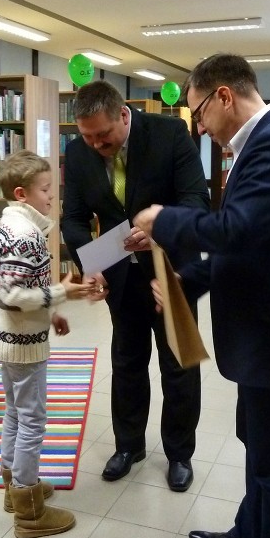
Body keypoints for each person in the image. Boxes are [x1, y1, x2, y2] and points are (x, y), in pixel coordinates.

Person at [133, 54, 270, 538]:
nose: (200, 128)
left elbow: (236, 230)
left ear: (224, 95)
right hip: (266, 331)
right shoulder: (264, 144)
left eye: (200, 113)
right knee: (260, 446)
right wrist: (187, 279)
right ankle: (253, 534)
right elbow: (249, 245)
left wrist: (164, 220)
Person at [61, 79, 209, 492]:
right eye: (87, 136)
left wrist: (161, 226)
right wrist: (88, 263)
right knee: (126, 363)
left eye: (103, 135)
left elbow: (196, 199)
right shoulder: (77, 152)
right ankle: (128, 446)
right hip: (118, 274)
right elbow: (72, 218)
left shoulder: (169, 134)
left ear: (124, 115)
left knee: (178, 365)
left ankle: (179, 453)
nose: (95, 144)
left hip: (171, 272)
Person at [0, 150, 93, 538]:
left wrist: (50, 311)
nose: (52, 197)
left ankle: (15, 488)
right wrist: (61, 293)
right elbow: (12, 294)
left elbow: (20, 289)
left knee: (15, 412)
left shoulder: (9, 225)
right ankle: (29, 512)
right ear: (22, 193)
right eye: (46, 190)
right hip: (21, 341)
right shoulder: (25, 235)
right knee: (32, 419)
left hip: (9, 336)